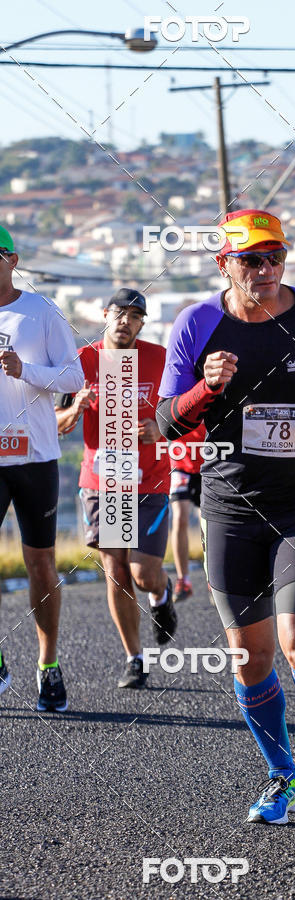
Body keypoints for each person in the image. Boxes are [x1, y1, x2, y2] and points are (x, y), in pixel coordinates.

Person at [157, 208, 295, 824]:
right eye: (250, 259)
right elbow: (167, 422)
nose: (266, 269)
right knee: (250, 658)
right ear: (223, 264)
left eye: (275, 256)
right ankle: (281, 775)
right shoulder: (197, 323)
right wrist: (206, 388)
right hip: (229, 506)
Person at [55, 288, 177, 690]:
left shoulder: (160, 359)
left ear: (142, 324)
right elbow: (55, 422)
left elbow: (186, 413)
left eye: (135, 316)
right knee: (117, 571)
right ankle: (134, 658)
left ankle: (161, 592)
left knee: (143, 574)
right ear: (105, 314)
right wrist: (76, 407)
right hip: (105, 480)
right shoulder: (83, 361)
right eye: (120, 313)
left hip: (151, 478)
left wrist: (161, 429)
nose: (126, 321)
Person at [0, 225, 84, 711]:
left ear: (12, 260)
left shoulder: (41, 310)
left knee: (40, 564)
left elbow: (74, 376)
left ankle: (48, 663)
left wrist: (24, 370)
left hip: (34, 456)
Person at [168, 423, 205, 602]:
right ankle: (183, 580)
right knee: (179, 519)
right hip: (181, 463)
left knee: (207, 523)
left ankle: (213, 579)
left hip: (209, 463)